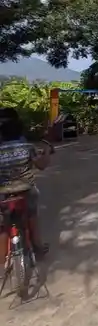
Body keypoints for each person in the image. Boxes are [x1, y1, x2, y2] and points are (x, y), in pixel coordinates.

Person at [0, 109, 50, 260]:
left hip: (3, 192)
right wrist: (46, 152)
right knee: (32, 215)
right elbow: (41, 165)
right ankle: (38, 248)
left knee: (3, 224)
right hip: (26, 189)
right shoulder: (27, 147)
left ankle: (2, 257)